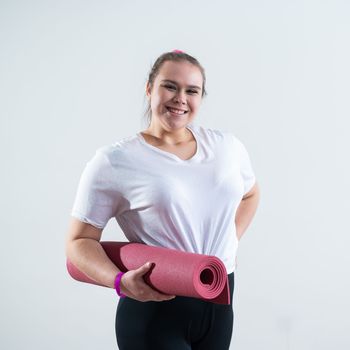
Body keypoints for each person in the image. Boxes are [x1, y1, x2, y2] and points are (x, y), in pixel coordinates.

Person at [65, 50, 260, 350]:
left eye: (191, 90)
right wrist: (119, 282)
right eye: (170, 86)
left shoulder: (227, 148)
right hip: (154, 308)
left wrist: (230, 239)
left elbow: (250, 193)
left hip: (219, 301)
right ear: (149, 89)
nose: (180, 98)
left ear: (200, 97)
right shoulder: (115, 160)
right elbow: (78, 243)